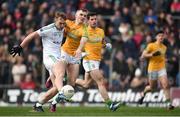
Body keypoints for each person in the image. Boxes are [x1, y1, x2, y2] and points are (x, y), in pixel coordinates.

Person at [10, 12, 67, 112]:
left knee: (55, 88)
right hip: (50, 58)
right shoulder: (48, 29)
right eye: (60, 23)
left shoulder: (64, 28)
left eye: (63, 24)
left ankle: (38, 105)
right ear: (56, 20)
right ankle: (62, 92)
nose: (62, 25)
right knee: (61, 71)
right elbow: (32, 35)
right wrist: (20, 47)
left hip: (56, 60)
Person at [75, 12, 121, 111]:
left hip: (97, 60)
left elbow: (102, 42)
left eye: (95, 19)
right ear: (87, 21)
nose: (94, 21)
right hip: (88, 59)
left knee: (86, 84)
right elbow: (82, 42)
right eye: (91, 19)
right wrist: (79, 50)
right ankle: (110, 104)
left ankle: (68, 80)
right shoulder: (86, 31)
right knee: (100, 81)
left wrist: (106, 45)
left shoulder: (101, 31)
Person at [50, 9, 88, 108]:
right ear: (76, 15)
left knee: (71, 84)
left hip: (75, 56)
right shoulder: (67, 23)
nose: (83, 17)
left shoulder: (85, 29)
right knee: (60, 74)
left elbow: (83, 40)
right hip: (64, 52)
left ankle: (54, 102)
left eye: (84, 15)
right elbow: (58, 26)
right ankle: (52, 75)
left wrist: (79, 49)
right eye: (81, 14)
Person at [137, 31, 174, 110]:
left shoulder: (164, 47)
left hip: (161, 68)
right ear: (156, 37)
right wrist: (152, 54)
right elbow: (143, 56)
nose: (161, 37)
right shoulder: (151, 45)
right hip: (152, 68)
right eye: (159, 36)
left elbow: (162, 57)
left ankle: (168, 104)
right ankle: (143, 94)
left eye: (162, 36)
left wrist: (166, 60)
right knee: (152, 87)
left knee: (166, 84)